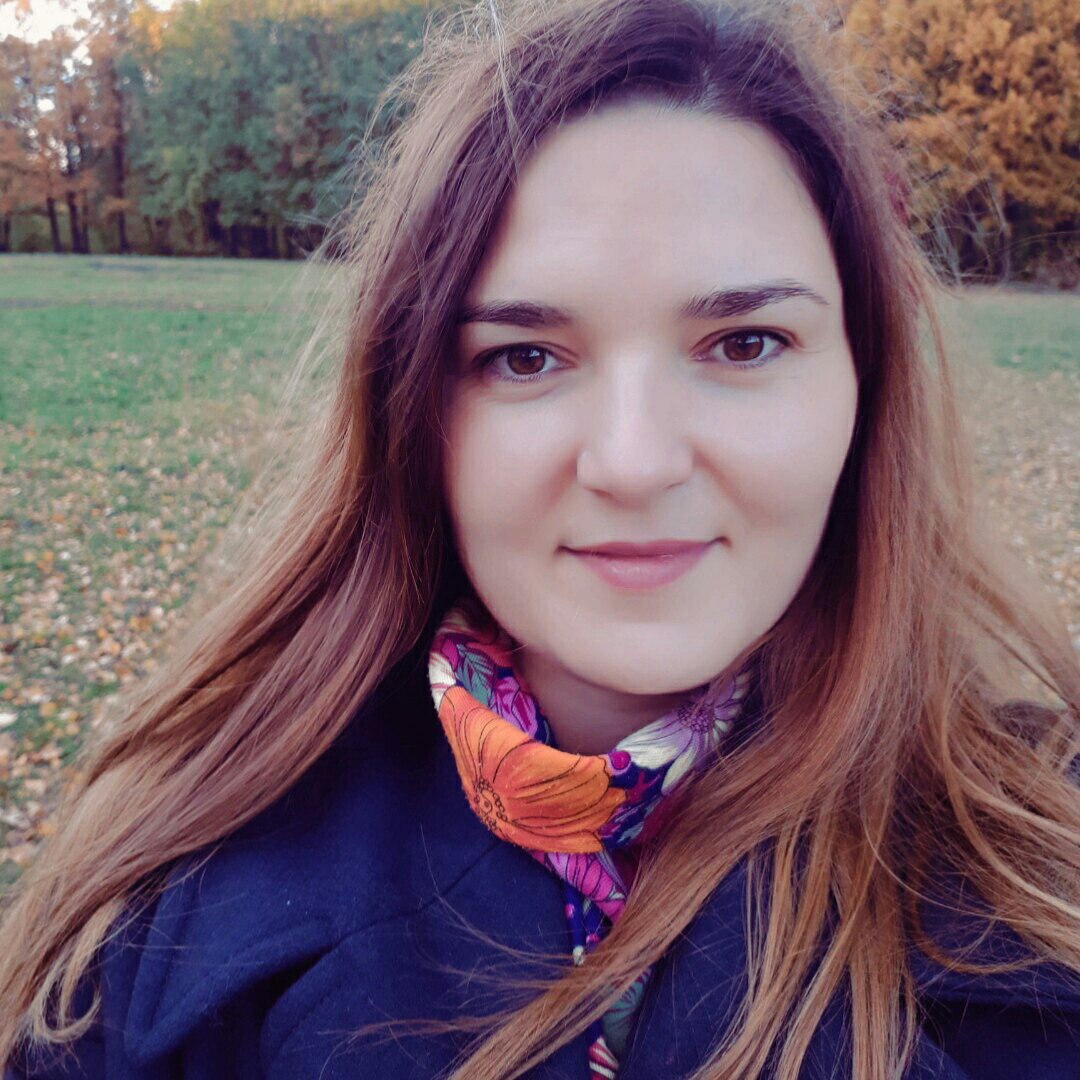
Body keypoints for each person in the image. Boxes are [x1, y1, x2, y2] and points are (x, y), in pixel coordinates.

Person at [1, 0, 1078, 1077]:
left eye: (746, 343)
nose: (634, 462)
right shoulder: (161, 927)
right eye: (525, 358)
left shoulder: (1045, 884)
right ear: (411, 411)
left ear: (865, 385)